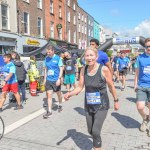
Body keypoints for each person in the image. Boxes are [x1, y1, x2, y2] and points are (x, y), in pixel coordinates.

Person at [64, 46, 119, 150]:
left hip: (102, 105)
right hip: (89, 105)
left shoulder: (104, 69)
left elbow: (111, 86)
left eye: (91, 55)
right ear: (84, 57)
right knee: (90, 130)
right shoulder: (83, 69)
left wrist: (116, 100)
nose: (89, 58)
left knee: (95, 131)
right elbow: (80, 87)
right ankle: (96, 139)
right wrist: (69, 94)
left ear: (96, 56)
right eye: (87, 55)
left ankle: (97, 147)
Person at [134, 38, 150, 136]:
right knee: (140, 106)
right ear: (145, 47)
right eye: (147, 46)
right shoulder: (140, 58)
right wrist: (135, 84)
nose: (149, 48)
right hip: (142, 85)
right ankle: (145, 118)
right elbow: (137, 73)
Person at [43, 45, 63, 119]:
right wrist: (45, 79)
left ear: (53, 51)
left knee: (58, 94)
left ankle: (60, 104)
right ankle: (49, 111)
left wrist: (59, 78)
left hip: (56, 79)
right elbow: (46, 69)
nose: (48, 53)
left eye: (49, 52)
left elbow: (61, 69)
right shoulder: (46, 58)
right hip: (49, 79)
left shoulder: (58, 58)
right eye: (47, 52)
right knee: (49, 94)